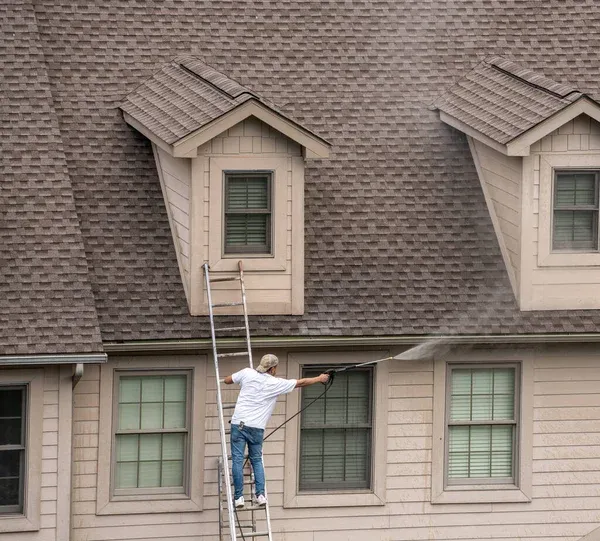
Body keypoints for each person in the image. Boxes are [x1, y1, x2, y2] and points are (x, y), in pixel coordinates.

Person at [223, 354, 329, 509]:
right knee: (256, 460)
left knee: (237, 461)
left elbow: (227, 380)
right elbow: (302, 382)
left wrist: (235, 380)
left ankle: (239, 498)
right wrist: (319, 378)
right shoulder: (275, 383)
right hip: (256, 428)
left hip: (238, 424)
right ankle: (260, 495)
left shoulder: (246, 373)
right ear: (272, 368)